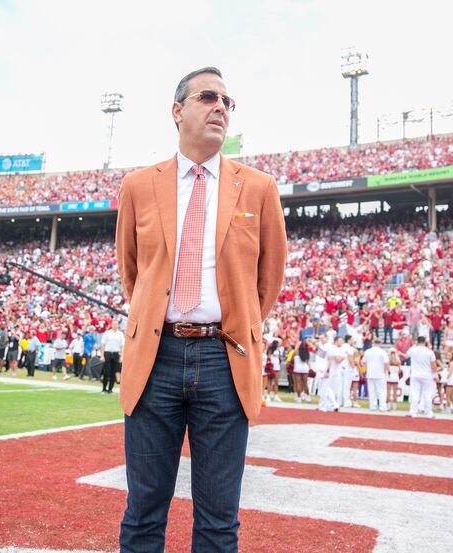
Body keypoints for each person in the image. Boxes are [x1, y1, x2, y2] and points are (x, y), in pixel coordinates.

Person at [114, 66, 287, 553]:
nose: (221, 108)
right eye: (209, 97)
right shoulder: (138, 185)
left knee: (218, 519)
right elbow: (133, 273)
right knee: (144, 511)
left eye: (228, 103)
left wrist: (236, 325)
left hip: (223, 360)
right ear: (177, 110)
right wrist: (156, 318)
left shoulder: (259, 187)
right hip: (156, 357)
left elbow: (269, 278)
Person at [407, 336, 437, 418]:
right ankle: (429, 412)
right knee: (427, 393)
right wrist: (435, 374)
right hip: (427, 374)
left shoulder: (413, 350)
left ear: (417, 341)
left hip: (415, 374)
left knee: (415, 393)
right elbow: (433, 365)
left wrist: (414, 345)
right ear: (425, 342)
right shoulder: (429, 352)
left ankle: (413, 411)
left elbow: (406, 355)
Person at [363, 335, 390, 411]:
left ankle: (373, 406)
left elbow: (363, 362)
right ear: (380, 343)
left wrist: (366, 370)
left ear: (373, 342)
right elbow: (386, 363)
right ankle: (382, 407)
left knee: (372, 391)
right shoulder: (382, 352)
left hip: (370, 373)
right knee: (382, 391)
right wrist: (386, 372)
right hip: (380, 374)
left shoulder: (367, 351)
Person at [100, 319, 125, 393]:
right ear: (111, 325)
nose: (115, 326)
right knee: (106, 372)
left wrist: (121, 356)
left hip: (116, 353)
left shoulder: (120, 334)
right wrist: (102, 355)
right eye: (114, 324)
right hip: (107, 353)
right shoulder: (107, 333)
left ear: (118, 325)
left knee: (113, 372)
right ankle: (104, 388)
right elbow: (103, 344)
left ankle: (110, 389)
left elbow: (122, 346)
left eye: (116, 324)